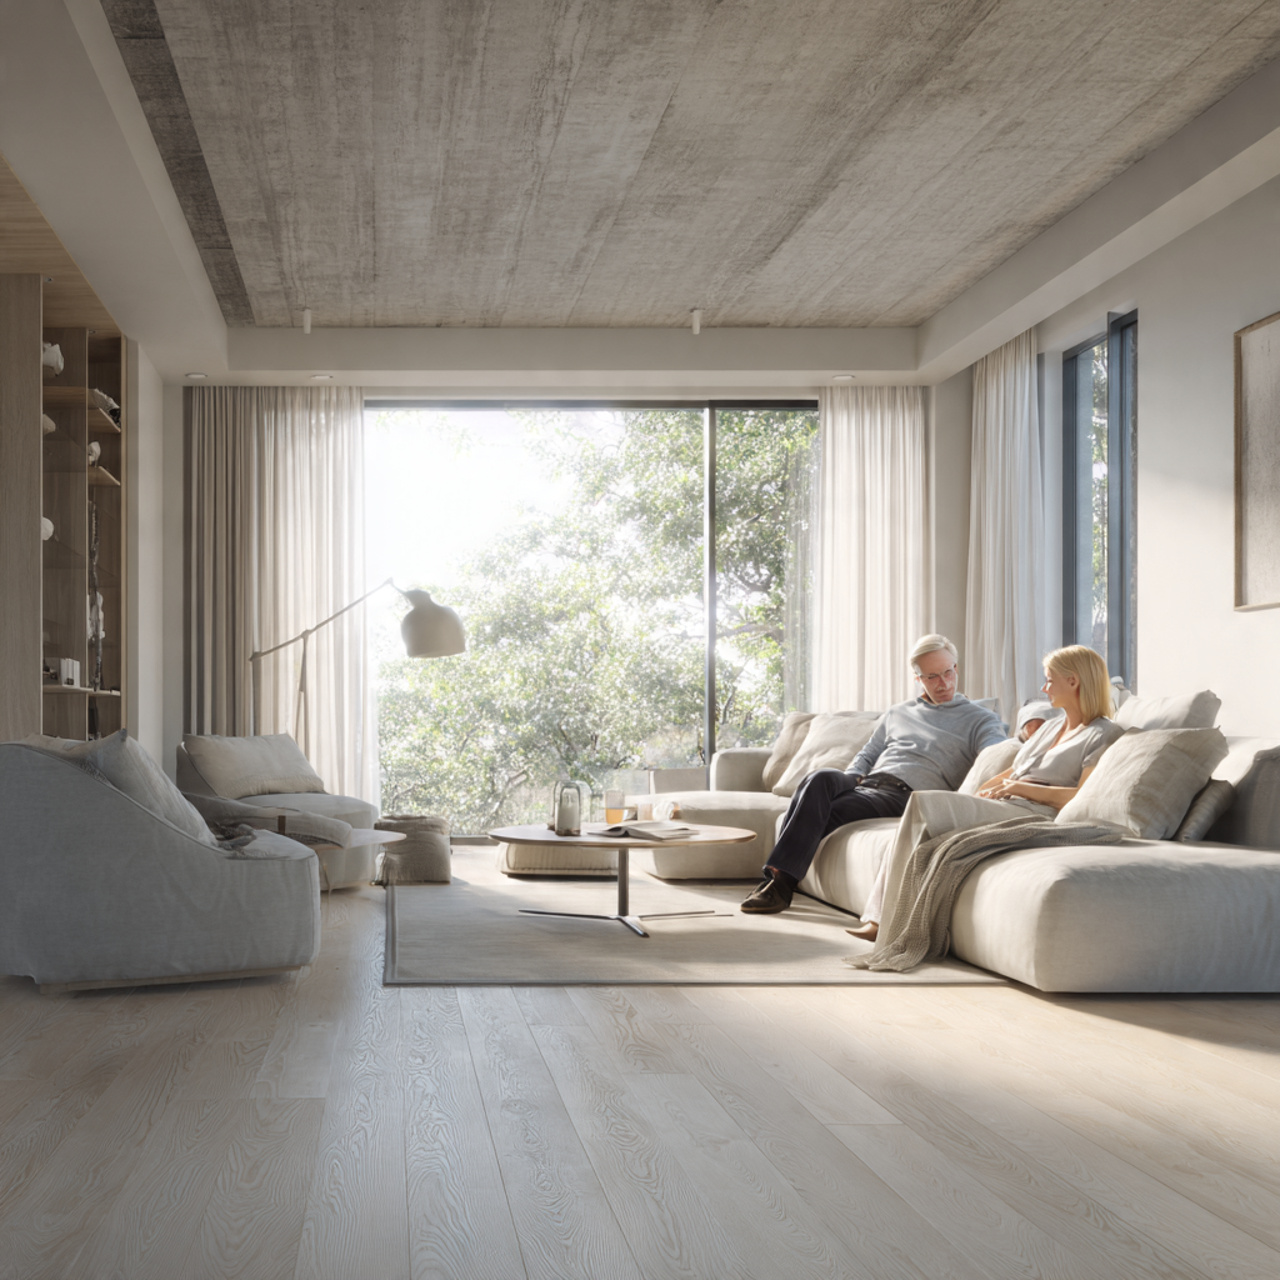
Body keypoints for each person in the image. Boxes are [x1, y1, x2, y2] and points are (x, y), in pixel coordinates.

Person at [846, 643, 1122, 941]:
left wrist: (1017, 788)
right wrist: (976, 794)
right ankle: (888, 919)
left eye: (1050, 680)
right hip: (1005, 802)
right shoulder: (1049, 728)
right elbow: (1012, 771)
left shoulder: (1102, 733)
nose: (1044, 688)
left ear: (1074, 681)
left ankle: (881, 923)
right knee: (921, 821)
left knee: (922, 805)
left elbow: (1078, 795)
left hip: (1034, 812)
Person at [740, 634, 1006, 914]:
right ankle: (779, 883)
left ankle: (777, 884)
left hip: (906, 795)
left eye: (948, 672)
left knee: (815, 813)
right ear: (918, 679)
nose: (944, 683)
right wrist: (853, 775)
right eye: (932, 676)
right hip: (866, 785)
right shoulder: (898, 713)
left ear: (956, 668)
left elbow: (996, 755)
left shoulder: (980, 719)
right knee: (818, 780)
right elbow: (868, 753)